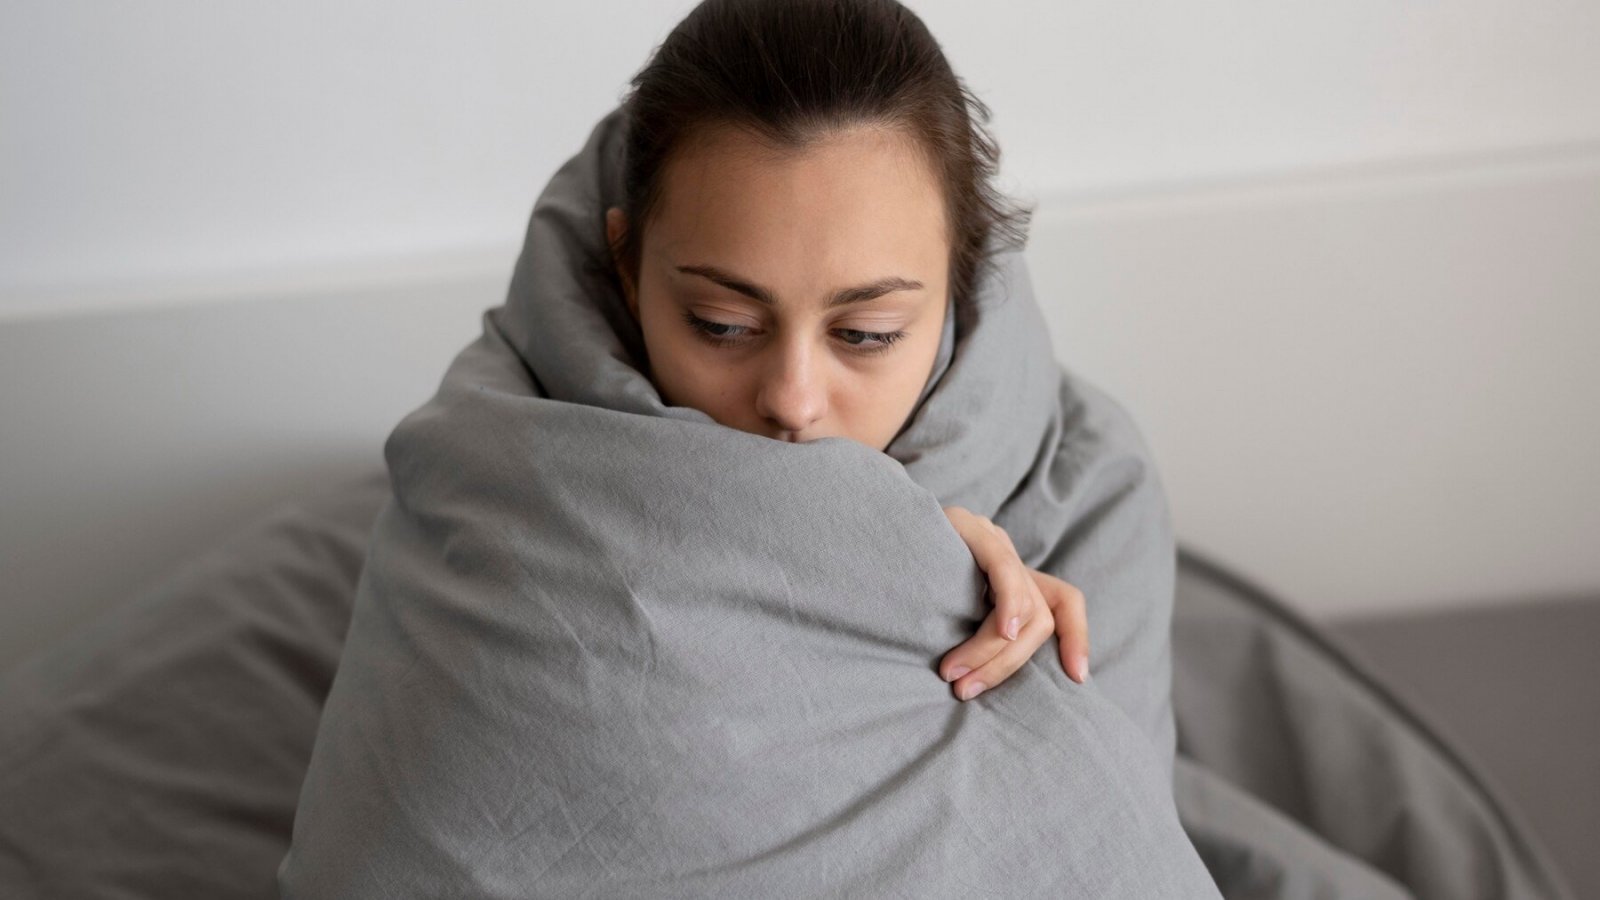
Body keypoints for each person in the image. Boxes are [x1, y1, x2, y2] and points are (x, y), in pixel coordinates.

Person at [600, 0, 1090, 704]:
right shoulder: (482, 483)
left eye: (867, 334)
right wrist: (892, 565)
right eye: (722, 323)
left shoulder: (1096, 490)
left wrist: (957, 603)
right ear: (628, 272)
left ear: (954, 294)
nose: (792, 401)